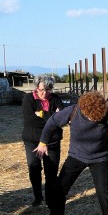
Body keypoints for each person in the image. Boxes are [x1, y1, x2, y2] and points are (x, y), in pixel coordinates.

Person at [22, 75, 64, 207]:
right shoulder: (28, 99)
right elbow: (30, 119)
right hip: (33, 140)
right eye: (41, 90)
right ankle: (38, 197)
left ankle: (50, 199)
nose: (44, 93)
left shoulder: (56, 98)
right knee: (34, 168)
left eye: (47, 90)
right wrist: (53, 117)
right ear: (36, 88)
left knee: (51, 171)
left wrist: (40, 114)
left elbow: (62, 118)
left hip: (52, 141)